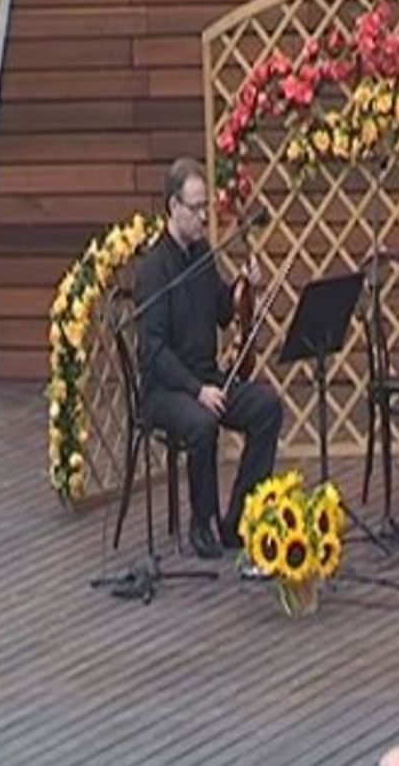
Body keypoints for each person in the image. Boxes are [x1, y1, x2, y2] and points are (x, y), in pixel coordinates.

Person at [135, 157, 283, 559]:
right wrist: (196, 390)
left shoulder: (201, 254)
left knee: (267, 406)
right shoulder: (153, 269)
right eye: (197, 208)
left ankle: (239, 520)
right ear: (173, 207)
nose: (204, 217)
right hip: (166, 389)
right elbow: (153, 350)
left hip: (206, 378)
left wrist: (243, 286)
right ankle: (202, 523)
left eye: (206, 207)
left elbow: (220, 311)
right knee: (202, 424)